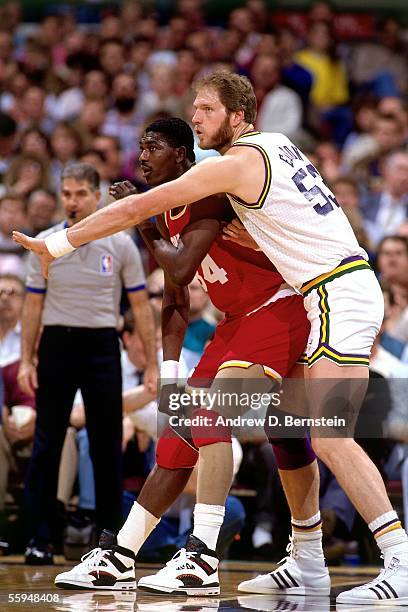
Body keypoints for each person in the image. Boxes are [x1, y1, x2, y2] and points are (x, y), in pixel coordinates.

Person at [13, 73, 407, 605]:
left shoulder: (234, 167)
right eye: (193, 107)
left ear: (238, 117)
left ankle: (397, 560)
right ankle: (306, 559)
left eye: (206, 108)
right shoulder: (274, 148)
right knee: (284, 425)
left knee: (329, 433)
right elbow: (178, 284)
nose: (196, 116)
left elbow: (139, 214)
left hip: (328, 292)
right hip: (320, 294)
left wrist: (58, 243)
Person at [53, 118, 310, 594]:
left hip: (277, 309)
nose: (143, 155)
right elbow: (175, 296)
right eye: (140, 146)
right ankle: (122, 554)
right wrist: (170, 370)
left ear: (182, 154)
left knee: (214, 417)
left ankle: (203, 556)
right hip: (235, 322)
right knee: (176, 439)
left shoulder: (207, 190)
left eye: (154, 146)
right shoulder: (168, 209)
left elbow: (181, 265)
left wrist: (142, 224)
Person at [17, 162, 157, 565]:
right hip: (58, 344)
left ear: (97, 196)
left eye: (80, 193)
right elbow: (32, 305)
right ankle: (39, 538)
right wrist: (27, 357)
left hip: (101, 346)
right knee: (47, 442)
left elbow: (139, 306)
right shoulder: (44, 242)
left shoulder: (121, 242)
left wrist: (149, 363)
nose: (73, 201)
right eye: (67, 193)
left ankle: (108, 539)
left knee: (105, 444)